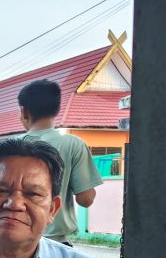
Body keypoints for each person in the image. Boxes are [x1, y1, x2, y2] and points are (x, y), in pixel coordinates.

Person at [18, 79, 104, 245]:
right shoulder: (72, 144)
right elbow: (86, 199)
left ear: (24, 111)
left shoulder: (7, 147)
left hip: (17, 241)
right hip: (57, 243)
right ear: (57, 110)